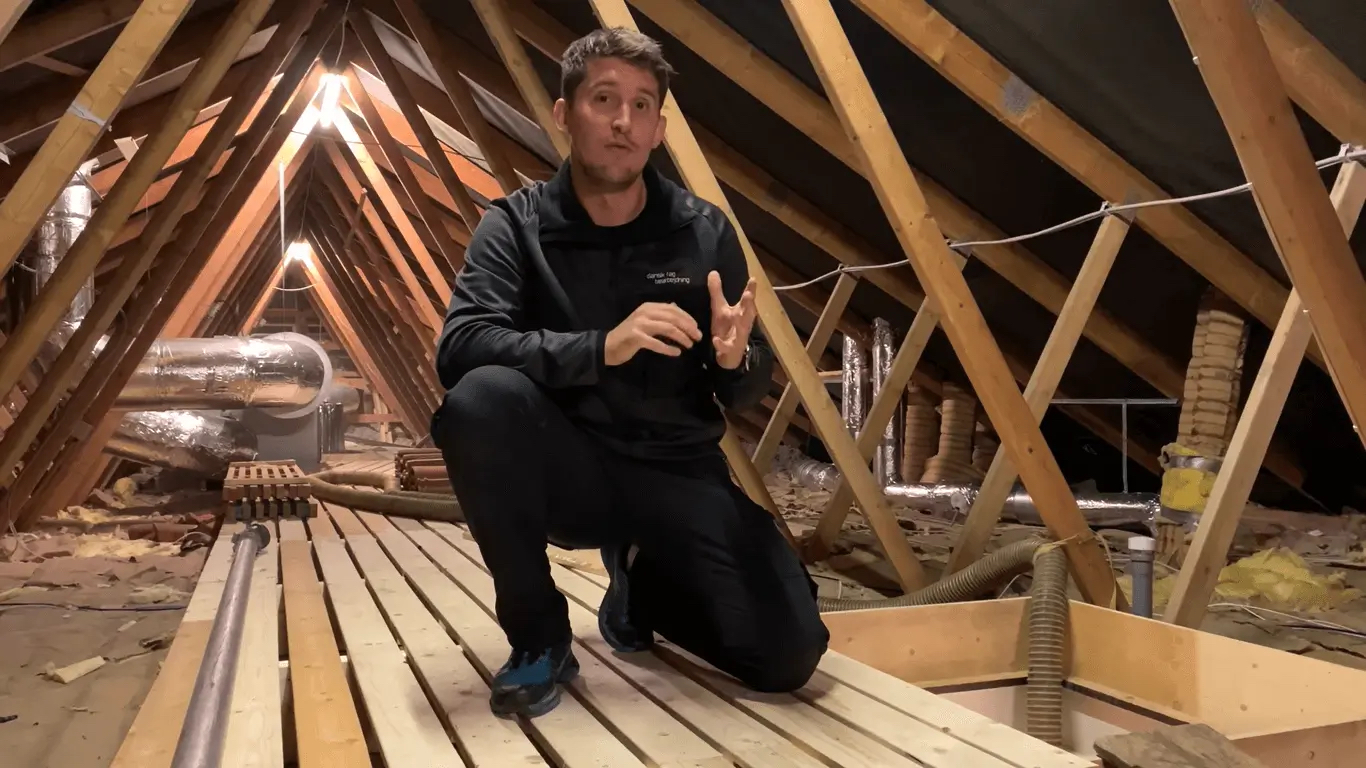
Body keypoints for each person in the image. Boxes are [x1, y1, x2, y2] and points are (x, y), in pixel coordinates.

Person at [430, 26, 829, 719]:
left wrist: (735, 359)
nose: (623, 121)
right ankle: (539, 638)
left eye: (642, 105)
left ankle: (640, 587)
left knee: (786, 655)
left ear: (658, 128)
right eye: (605, 99)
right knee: (479, 401)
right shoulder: (516, 226)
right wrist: (598, 347)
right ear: (565, 114)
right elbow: (460, 347)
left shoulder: (701, 230)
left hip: (676, 469)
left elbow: (742, 390)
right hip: (569, 472)